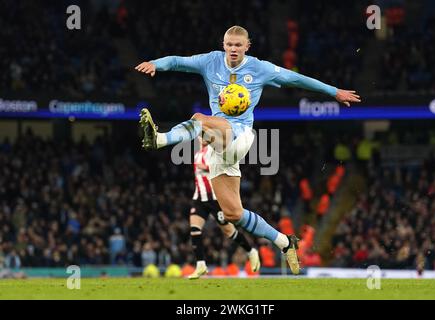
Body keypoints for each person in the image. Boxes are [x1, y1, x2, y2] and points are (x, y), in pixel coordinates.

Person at [135, 25, 361, 274]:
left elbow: (296, 79)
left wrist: (334, 92)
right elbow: (178, 61)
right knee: (233, 213)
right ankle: (285, 242)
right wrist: (156, 64)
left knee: (200, 118)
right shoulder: (210, 61)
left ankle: (160, 139)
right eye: (229, 44)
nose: (233, 49)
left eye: (238, 45)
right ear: (223, 44)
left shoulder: (259, 68)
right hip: (219, 146)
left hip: (240, 135)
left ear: (247, 46)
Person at [188, 136, 260, 279]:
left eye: (202, 136)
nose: (199, 138)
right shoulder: (197, 155)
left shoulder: (215, 152)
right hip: (200, 198)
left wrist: (207, 167)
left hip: (216, 199)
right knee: (195, 230)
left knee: (229, 232)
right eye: (198, 136)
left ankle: (251, 251)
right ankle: (201, 265)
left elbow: (224, 167)